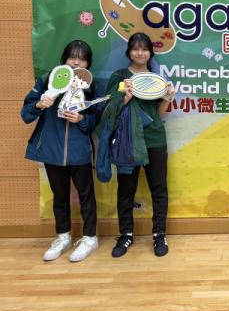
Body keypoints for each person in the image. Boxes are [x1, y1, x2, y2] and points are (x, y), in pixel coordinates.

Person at [21, 40, 99, 262]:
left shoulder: (90, 86)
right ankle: (63, 236)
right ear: (64, 59)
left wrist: (81, 118)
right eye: (72, 57)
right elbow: (25, 115)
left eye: (82, 59)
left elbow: (96, 119)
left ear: (88, 63)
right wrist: (39, 105)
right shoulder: (48, 80)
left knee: (86, 196)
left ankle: (90, 238)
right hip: (51, 150)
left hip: (79, 151)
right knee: (60, 196)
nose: (76, 62)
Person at [106, 32, 174, 258]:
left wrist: (168, 97)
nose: (140, 53)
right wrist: (125, 97)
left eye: (144, 49)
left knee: (159, 188)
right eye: (136, 48)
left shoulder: (157, 80)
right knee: (126, 190)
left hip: (154, 139)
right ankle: (125, 234)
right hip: (127, 141)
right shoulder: (120, 77)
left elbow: (159, 114)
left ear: (150, 53)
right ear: (129, 52)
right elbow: (109, 112)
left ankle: (159, 234)